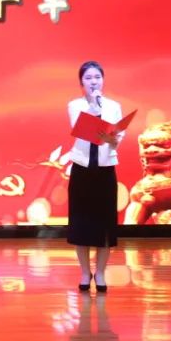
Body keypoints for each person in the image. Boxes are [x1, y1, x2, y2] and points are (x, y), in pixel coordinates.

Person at [66, 61, 124, 293]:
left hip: (105, 169)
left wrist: (113, 138)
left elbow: (117, 139)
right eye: (88, 78)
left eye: (97, 77)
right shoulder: (75, 105)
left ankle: (100, 272)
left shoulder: (114, 106)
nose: (93, 82)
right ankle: (84, 272)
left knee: (104, 223)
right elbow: (80, 128)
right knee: (81, 223)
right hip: (82, 169)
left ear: (103, 80)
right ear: (81, 82)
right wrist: (93, 105)